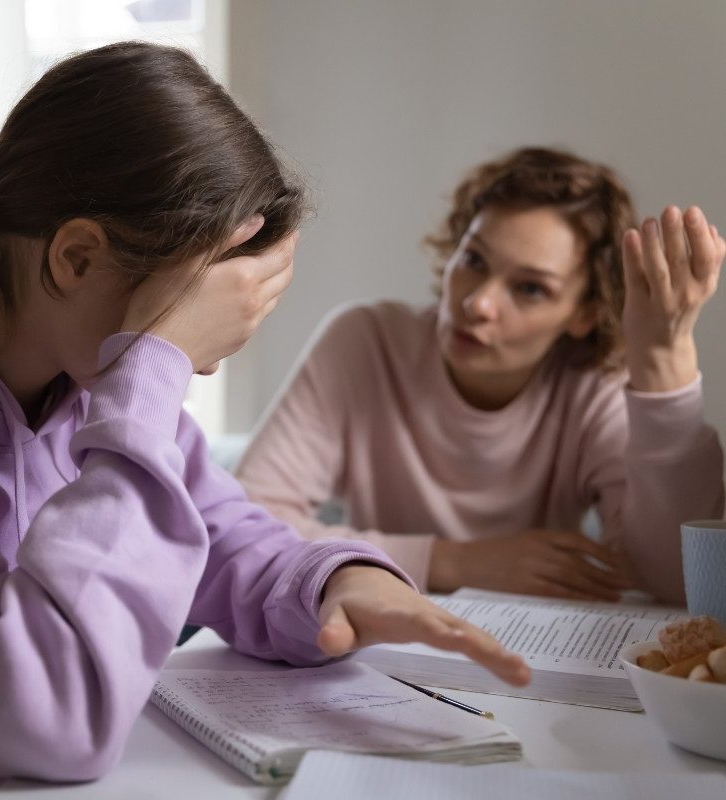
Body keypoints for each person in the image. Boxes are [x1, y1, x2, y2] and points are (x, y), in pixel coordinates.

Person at [0, 44, 528, 800]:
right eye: (191, 331)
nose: (200, 367)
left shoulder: (94, 395)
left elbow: (229, 541)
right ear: (75, 258)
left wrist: (338, 582)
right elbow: (41, 708)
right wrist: (153, 370)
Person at [237, 146, 725, 606]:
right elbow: (245, 524)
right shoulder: (365, 342)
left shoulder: (594, 385)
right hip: (376, 637)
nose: (478, 303)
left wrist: (663, 360)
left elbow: (676, 581)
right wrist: (456, 562)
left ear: (584, 314)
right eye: (473, 260)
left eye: (530, 288)